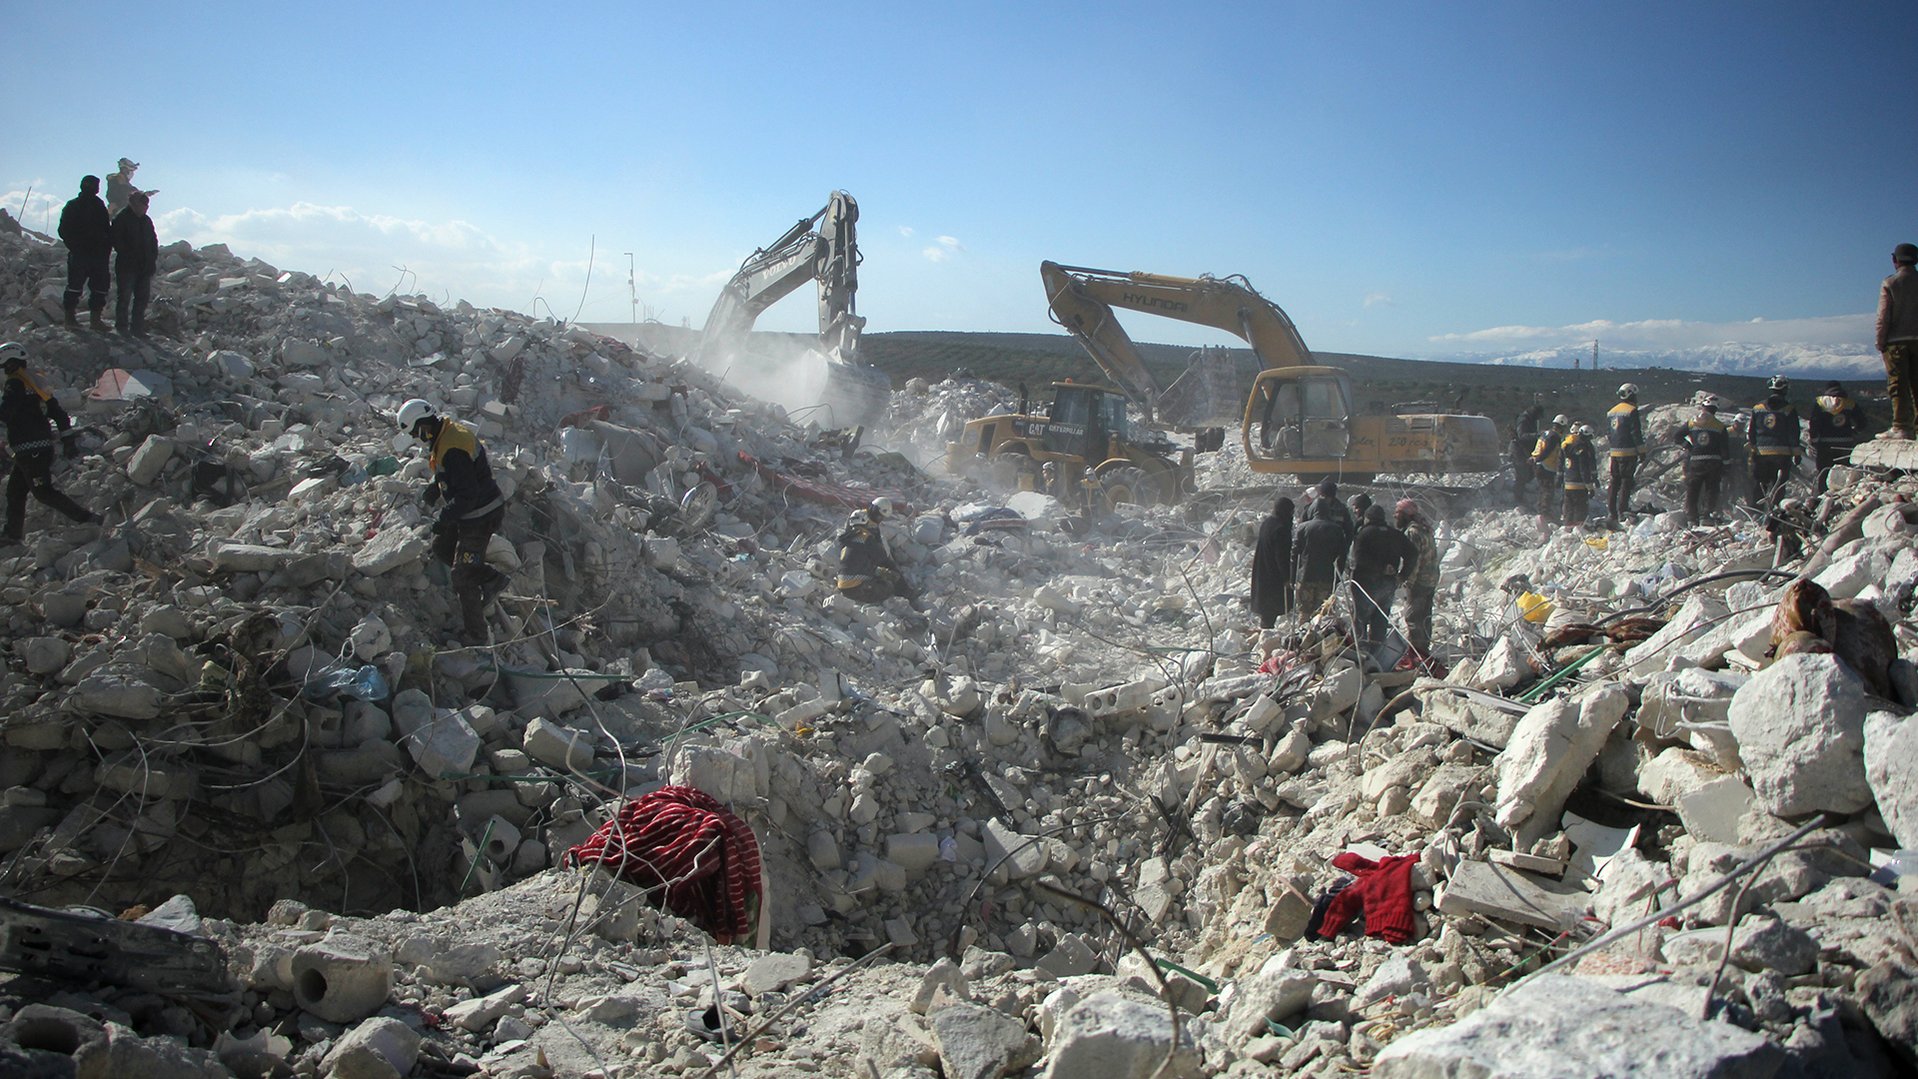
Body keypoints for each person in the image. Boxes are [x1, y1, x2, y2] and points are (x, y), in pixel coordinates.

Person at [396, 399, 510, 643]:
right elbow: (458, 476)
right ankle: (485, 576)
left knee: (462, 576)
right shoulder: (447, 435)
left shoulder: (452, 448)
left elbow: (467, 494)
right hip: (471, 511)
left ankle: (477, 634)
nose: (418, 438)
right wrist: (436, 487)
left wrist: (444, 518)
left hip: (480, 515)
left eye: (417, 432)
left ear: (424, 424)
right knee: (441, 547)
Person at [3, 344, 97, 543]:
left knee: (43, 492)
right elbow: (59, 413)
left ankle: (88, 519)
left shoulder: (15, 384)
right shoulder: (35, 383)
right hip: (35, 449)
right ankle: (12, 535)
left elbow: (6, 412)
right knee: (15, 491)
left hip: (30, 449)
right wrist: (67, 438)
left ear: (9, 363)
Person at [1349, 504, 1415, 661]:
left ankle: (1361, 657)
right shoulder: (1395, 534)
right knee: (1380, 621)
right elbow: (1413, 553)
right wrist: (1402, 575)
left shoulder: (1364, 534)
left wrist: (1380, 568)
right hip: (1388, 586)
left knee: (1360, 620)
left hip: (1366, 584)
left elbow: (1358, 559)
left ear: (1368, 518)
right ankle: (1377, 657)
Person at [836, 497, 916, 605]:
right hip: (856, 586)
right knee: (888, 584)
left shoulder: (845, 539)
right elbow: (881, 557)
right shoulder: (865, 537)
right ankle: (906, 594)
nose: (879, 519)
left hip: (843, 581)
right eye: (879, 516)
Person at [57, 176, 112, 330]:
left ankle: (95, 320)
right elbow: (63, 230)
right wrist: (75, 247)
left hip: (98, 255)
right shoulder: (73, 205)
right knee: (74, 286)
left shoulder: (99, 205)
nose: (93, 188)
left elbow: (106, 229)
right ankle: (70, 319)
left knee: (100, 287)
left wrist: (106, 247)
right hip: (80, 254)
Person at [1876, 242, 1918, 439]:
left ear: (1895, 260)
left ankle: (1901, 426)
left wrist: (1880, 340)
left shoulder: (1890, 283)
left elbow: (1884, 316)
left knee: (1898, 385)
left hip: (1896, 342)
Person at [1675, 394, 1729, 527]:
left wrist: (1688, 446)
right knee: (1711, 489)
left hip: (1695, 461)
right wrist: (1727, 464)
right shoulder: (1720, 426)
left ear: (1703, 407)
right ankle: (1706, 515)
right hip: (1713, 463)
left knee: (1693, 489)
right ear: (1715, 410)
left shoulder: (1692, 422)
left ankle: (1691, 518)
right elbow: (1725, 448)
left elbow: (1677, 436)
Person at [110, 190, 159, 337]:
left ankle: (137, 328)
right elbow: (117, 241)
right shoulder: (121, 218)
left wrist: (151, 260)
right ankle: (122, 327)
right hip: (127, 266)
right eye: (143, 205)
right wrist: (130, 256)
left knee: (142, 299)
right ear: (133, 204)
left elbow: (153, 242)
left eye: (146, 205)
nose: (145, 208)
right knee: (124, 296)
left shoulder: (146, 221)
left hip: (144, 266)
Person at [1394, 498, 1439, 655]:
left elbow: (1414, 559)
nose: (1395, 516)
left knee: (1413, 618)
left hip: (1419, 581)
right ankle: (1424, 649)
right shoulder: (1425, 529)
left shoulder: (1412, 533)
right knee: (1425, 616)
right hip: (1431, 579)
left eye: (1398, 513)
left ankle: (1416, 653)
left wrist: (1408, 581)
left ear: (1406, 515)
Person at [1749, 375, 1802, 511]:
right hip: (1782, 454)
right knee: (1778, 485)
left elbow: (1751, 431)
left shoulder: (1757, 408)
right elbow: (1793, 433)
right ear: (1785, 389)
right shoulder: (1789, 409)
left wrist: (1753, 450)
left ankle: (1755, 512)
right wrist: (1796, 453)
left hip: (1761, 453)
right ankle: (1775, 511)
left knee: (1759, 484)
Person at [1292, 497, 1348, 617]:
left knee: (1304, 611)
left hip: (1306, 576)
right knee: (1322, 614)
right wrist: (1337, 578)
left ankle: (1303, 633)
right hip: (1327, 578)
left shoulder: (1302, 528)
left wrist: (1292, 576)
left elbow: (1295, 553)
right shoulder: (1337, 529)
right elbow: (1342, 556)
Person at [1807, 382, 1867, 494]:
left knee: (1824, 472)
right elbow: (1862, 422)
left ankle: (1822, 497)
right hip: (1845, 444)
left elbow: (1814, 423)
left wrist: (1814, 440)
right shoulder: (1849, 403)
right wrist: (1854, 432)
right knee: (1843, 473)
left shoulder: (1820, 403)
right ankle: (1841, 496)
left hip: (1825, 444)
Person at [1250, 495, 1294, 629]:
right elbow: (1282, 555)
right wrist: (1287, 578)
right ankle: (1266, 638)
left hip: (1263, 570)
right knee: (1272, 608)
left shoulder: (1267, 523)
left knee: (1267, 610)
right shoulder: (1281, 528)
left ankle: (1266, 633)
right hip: (1273, 574)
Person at [1605, 384, 1644, 519]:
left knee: (1614, 482)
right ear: (1631, 394)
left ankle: (1611, 512)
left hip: (1614, 453)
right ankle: (1622, 510)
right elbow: (1636, 433)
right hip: (1628, 453)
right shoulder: (1632, 411)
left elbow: (1609, 434)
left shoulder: (1611, 412)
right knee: (1626, 481)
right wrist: (1641, 451)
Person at [1530, 414, 1569, 523]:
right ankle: (1544, 513)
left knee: (1543, 489)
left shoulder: (1545, 433)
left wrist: (1534, 459)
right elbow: (1547, 451)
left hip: (1538, 464)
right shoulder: (1554, 437)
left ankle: (1541, 510)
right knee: (1548, 490)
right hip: (1546, 466)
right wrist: (1539, 459)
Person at [1559, 423, 1599, 527]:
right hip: (1579, 485)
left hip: (1568, 484)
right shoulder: (1583, 449)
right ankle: (1578, 530)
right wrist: (1590, 487)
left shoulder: (1568, 446)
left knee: (1569, 508)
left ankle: (1567, 528)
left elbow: (1561, 464)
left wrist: (1559, 478)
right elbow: (1584, 470)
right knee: (1580, 510)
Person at [1511, 402, 1543, 505]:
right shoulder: (1524, 420)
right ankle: (1517, 498)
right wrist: (1537, 435)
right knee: (1522, 474)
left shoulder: (1530, 420)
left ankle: (1520, 492)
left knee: (1530, 473)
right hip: (1519, 450)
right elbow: (1522, 436)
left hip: (1525, 450)